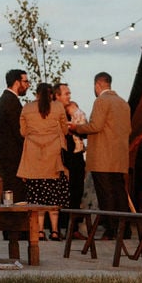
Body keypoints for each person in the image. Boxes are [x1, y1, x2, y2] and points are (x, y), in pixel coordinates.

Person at [71, 72, 132, 239]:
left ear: (97, 85)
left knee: (106, 195)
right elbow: (128, 130)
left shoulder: (101, 101)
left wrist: (76, 128)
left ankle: (111, 229)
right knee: (119, 193)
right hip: (119, 157)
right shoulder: (123, 104)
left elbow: (95, 126)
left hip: (102, 158)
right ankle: (125, 229)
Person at [18, 83, 69, 240]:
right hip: (53, 156)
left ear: (37, 94)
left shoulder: (26, 108)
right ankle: (54, 231)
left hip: (34, 156)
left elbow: (23, 131)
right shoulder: (59, 107)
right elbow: (65, 129)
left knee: (36, 196)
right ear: (52, 94)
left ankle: (39, 231)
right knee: (53, 195)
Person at [54, 83, 87, 239]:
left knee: (76, 193)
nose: (69, 96)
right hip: (65, 157)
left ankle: (73, 228)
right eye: (66, 93)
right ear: (57, 96)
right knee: (64, 194)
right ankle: (61, 227)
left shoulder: (72, 111)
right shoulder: (56, 113)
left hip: (76, 156)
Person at [0, 69, 31, 203]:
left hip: (9, 155)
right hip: (12, 156)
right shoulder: (10, 101)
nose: (28, 85)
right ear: (17, 82)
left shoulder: (6, 99)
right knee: (15, 193)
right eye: (26, 81)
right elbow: (18, 131)